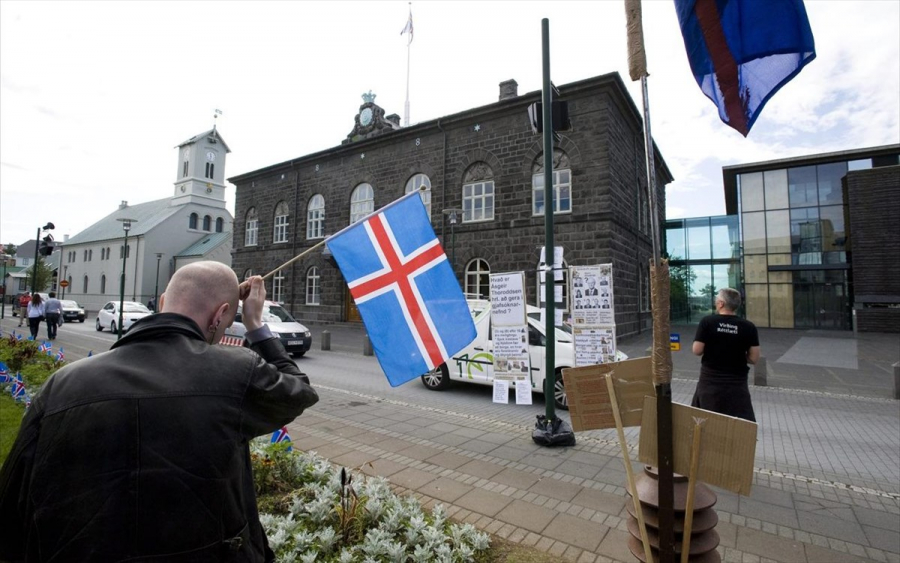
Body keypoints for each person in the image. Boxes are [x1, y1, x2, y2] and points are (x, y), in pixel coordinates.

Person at [0, 261, 319, 561]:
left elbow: (12, 503)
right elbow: (298, 391)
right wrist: (255, 323)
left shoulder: (62, 384)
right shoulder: (233, 373)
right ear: (221, 314)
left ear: (164, 300)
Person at [691, 287, 760, 422]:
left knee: (705, 421)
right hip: (737, 385)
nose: (716, 302)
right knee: (737, 422)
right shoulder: (748, 326)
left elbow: (697, 350)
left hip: (710, 382)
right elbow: (754, 358)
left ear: (721, 303)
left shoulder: (708, 322)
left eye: (717, 299)